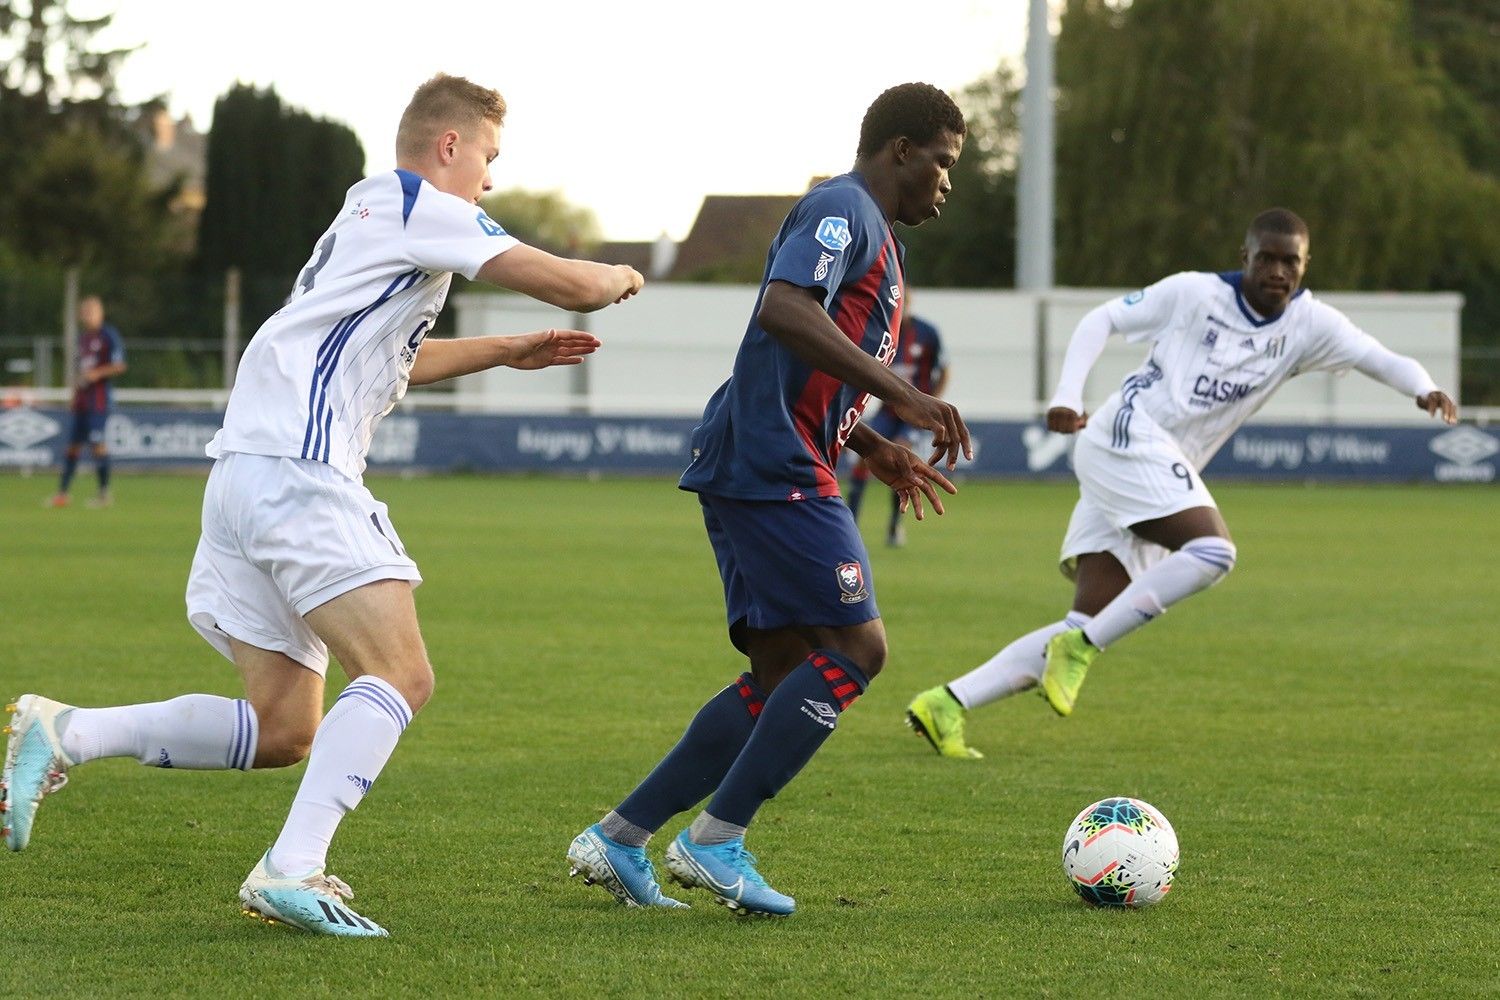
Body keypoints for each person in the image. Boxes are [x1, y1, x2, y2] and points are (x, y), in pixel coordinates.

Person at [3, 73, 644, 937]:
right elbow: (570, 283)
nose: (489, 180)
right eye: (489, 158)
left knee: (283, 727)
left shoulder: (370, 215)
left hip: (244, 473)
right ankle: (291, 868)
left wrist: (505, 350)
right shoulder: (422, 203)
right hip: (299, 470)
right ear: (449, 146)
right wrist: (617, 273)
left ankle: (66, 731)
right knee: (401, 675)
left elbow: (393, 361)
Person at [567, 83, 970, 917]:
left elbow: (802, 362)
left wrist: (872, 441)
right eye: (942, 162)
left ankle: (622, 833)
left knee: (783, 669)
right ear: (901, 150)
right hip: (773, 461)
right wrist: (905, 393)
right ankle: (716, 841)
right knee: (859, 648)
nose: (946, 182)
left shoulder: (877, 239)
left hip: (772, 453)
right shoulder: (842, 209)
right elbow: (784, 312)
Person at [905, 208, 1459, 759]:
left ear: (1305, 265)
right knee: (1213, 551)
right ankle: (1081, 649)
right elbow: (1101, 319)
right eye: (1266, 258)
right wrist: (1066, 395)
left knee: (1087, 616)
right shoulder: (1195, 294)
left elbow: (1378, 358)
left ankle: (947, 703)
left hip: (1156, 467)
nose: (1278, 271)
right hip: (1126, 436)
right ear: (1245, 257)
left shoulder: (1310, 325)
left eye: (1290, 261)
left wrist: (1424, 388)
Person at [845, 307, 949, 546]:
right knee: (863, 457)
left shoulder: (927, 332)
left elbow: (945, 369)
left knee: (901, 456)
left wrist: (934, 403)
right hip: (886, 411)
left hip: (913, 415)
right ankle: (851, 522)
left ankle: (894, 524)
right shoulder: (883, 330)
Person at [50, 296, 126, 508]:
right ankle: (62, 493)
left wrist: (97, 374)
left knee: (97, 445)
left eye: (92, 311)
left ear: (100, 312)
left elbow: (119, 365)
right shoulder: (82, 339)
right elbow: (78, 370)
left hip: (99, 402)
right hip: (82, 402)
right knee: (72, 447)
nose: (88, 315)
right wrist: (75, 393)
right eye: (85, 311)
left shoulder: (108, 335)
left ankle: (104, 494)